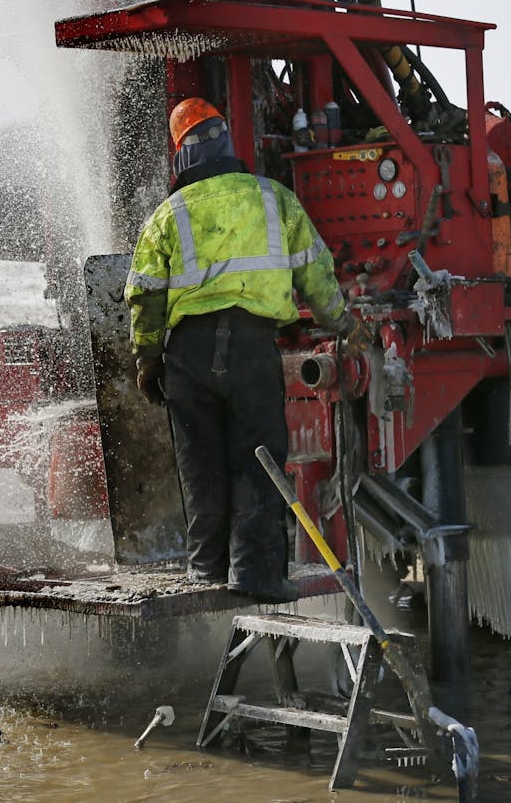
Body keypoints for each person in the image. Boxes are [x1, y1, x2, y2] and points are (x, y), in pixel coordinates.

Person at [124, 97, 364, 602]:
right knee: (258, 460)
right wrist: (340, 322)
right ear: (228, 142)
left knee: (200, 462)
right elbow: (316, 275)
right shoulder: (274, 199)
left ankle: (207, 569)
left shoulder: (167, 217)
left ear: (179, 154)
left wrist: (147, 358)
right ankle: (255, 574)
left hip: (186, 357)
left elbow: (143, 293)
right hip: (254, 349)